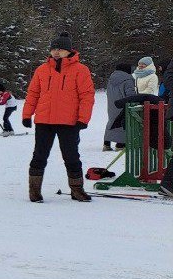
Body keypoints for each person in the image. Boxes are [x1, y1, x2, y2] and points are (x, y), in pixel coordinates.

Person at [21, 32, 95, 203]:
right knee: (39, 155)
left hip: (68, 122)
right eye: (53, 49)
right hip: (44, 121)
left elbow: (87, 96)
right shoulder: (41, 69)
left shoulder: (80, 70)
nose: (55, 52)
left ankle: (77, 190)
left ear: (68, 51)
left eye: (60, 49)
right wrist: (27, 114)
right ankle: (34, 191)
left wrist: (83, 119)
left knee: (71, 156)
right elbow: (33, 93)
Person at [104, 61, 136, 151]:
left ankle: (106, 144)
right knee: (123, 123)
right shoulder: (127, 80)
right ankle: (120, 145)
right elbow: (130, 95)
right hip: (122, 105)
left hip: (112, 104)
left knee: (112, 122)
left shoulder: (112, 78)